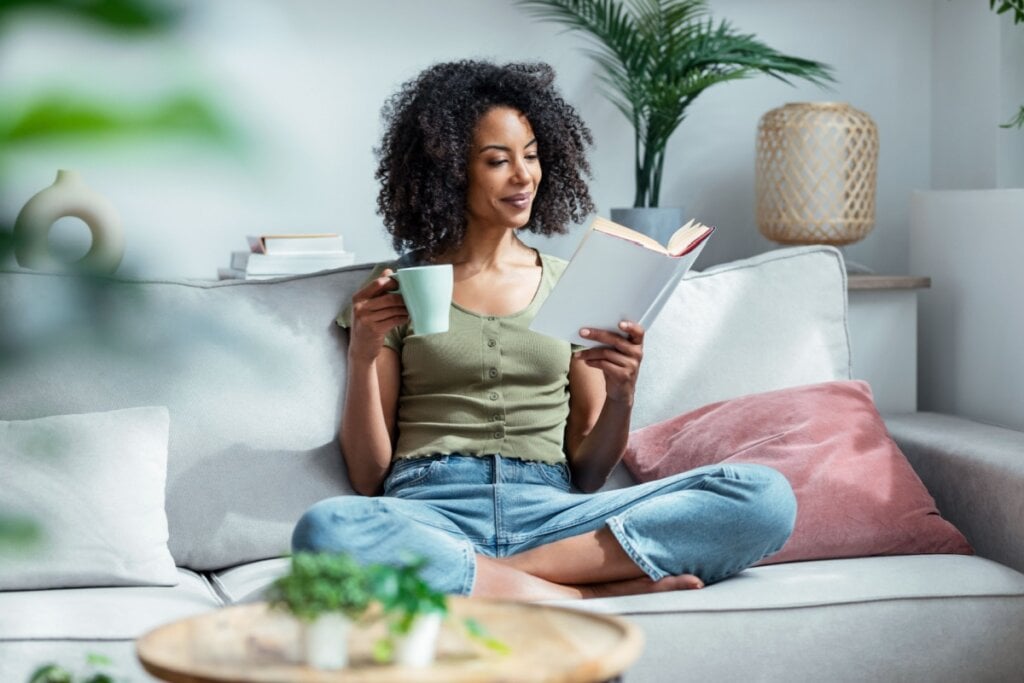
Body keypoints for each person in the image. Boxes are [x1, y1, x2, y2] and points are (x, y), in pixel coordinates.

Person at [292, 60, 796, 600]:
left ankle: (499, 581)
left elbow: (590, 473)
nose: (523, 176)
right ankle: (577, 594)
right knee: (327, 529)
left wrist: (624, 394)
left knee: (764, 496)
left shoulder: (575, 285)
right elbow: (369, 478)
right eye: (497, 161)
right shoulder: (396, 287)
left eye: (531, 156)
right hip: (430, 511)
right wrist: (363, 353)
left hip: (554, 513)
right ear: (449, 171)